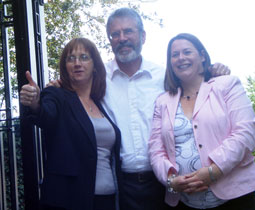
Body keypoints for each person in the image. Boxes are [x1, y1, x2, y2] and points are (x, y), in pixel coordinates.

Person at [42, 8, 230, 210]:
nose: (122, 38)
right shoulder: (98, 78)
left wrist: (213, 71)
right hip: (122, 184)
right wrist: (56, 87)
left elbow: (195, 87)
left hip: (167, 181)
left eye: (128, 31)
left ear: (143, 36)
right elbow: (75, 91)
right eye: (115, 34)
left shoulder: (164, 76)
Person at [148, 33, 255, 210]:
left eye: (187, 52)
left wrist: (214, 171)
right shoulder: (162, 101)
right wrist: (171, 181)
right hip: (184, 202)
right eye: (175, 55)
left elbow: (245, 132)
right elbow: (156, 149)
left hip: (235, 199)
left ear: (202, 56)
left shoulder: (227, 85)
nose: (181, 58)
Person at [20, 38, 122, 210]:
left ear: (95, 65)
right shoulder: (56, 95)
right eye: (70, 58)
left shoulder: (101, 103)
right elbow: (45, 114)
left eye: (84, 57)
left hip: (108, 199)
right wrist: (35, 102)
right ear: (65, 67)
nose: (77, 63)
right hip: (68, 199)